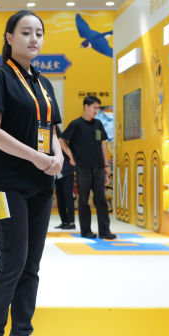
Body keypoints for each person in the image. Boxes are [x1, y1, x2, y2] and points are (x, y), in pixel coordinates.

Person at [0, 10, 63, 336]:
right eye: (26, 32)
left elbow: (52, 128)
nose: (34, 38)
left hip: (41, 183)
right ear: (10, 38)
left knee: (31, 262)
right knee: (12, 257)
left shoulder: (44, 84)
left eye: (39, 33)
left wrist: (57, 156)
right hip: (6, 183)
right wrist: (37, 157)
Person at [61, 95, 116, 239]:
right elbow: (62, 140)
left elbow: (102, 144)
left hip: (98, 167)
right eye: (94, 107)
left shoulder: (98, 124)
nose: (96, 110)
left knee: (101, 199)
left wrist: (106, 164)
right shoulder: (76, 124)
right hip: (82, 167)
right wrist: (71, 157)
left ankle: (105, 231)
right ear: (86, 107)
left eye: (98, 108)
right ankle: (86, 231)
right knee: (84, 200)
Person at [53, 124, 76, 230]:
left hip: (66, 172)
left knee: (68, 197)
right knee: (60, 198)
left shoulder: (62, 142)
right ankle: (64, 221)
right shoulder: (51, 142)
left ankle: (71, 222)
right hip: (56, 174)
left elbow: (68, 158)